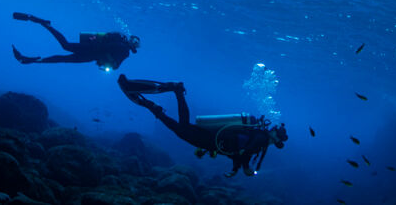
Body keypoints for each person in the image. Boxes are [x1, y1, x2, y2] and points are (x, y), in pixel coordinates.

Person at [117, 74, 288, 177]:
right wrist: (245, 168)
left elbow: (240, 153)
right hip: (213, 140)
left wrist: (236, 169)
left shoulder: (260, 136)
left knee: (181, 129)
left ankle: (155, 108)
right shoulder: (261, 139)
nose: (275, 143)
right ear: (276, 138)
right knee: (182, 129)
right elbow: (245, 152)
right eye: (278, 140)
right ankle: (174, 93)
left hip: (214, 139)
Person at [11, 12, 140, 70]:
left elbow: (116, 64)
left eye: (135, 43)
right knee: (64, 51)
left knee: (64, 53)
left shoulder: (123, 48)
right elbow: (115, 64)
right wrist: (107, 62)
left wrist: (107, 61)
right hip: (90, 52)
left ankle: (45, 26)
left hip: (90, 51)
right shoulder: (124, 50)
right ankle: (45, 26)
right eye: (135, 42)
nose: (133, 43)